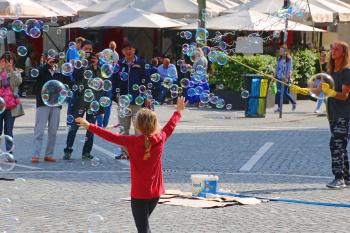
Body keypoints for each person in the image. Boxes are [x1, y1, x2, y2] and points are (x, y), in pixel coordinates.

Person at [76, 96, 187, 233]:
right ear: (154, 124)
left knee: (143, 229)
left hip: (140, 194)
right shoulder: (161, 138)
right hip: (156, 192)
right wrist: (178, 111)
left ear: (137, 125)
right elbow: (171, 125)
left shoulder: (132, 142)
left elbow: (110, 136)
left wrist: (89, 126)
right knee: (144, 225)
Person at [291, 41, 350, 189]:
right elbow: (317, 90)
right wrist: (302, 90)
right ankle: (348, 178)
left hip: (344, 115)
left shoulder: (347, 71)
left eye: (337, 49)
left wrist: (331, 92)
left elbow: (344, 95)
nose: (333, 51)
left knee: (336, 144)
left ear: (344, 53)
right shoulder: (329, 72)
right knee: (340, 145)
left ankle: (339, 178)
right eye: (333, 49)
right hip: (333, 115)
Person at [63, 39, 103, 161]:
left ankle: (86, 152)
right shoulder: (78, 63)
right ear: (81, 50)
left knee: (91, 128)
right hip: (80, 99)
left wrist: (96, 66)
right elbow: (75, 77)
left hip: (93, 100)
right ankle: (68, 150)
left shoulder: (97, 64)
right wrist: (83, 64)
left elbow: (101, 81)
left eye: (90, 50)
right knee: (74, 126)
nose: (88, 52)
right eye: (86, 49)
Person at [112, 41, 149, 160]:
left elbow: (147, 81)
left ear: (134, 50)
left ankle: (139, 152)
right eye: (125, 49)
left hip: (137, 102)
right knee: (124, 130)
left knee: (139, 130)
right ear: (122, 52)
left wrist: (147, 97)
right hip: (123, 102)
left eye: (130, 49)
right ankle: (124, 152)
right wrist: (116, 96)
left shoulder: (141, 63)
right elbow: (114, 82)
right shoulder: (119, 65)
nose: (128, 51)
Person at [31, 55, 71, 163]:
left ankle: (49, 154)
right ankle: (35, 154)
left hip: (56, 105)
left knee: (53, 131)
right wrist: (46, 65)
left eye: (55, 60)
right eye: (51, 60)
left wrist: (66, 68)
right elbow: (35, 76)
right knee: (39, 130)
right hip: (43, 104)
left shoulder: (59, 74)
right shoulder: (42, 70)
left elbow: (69, 84)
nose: (53, 62)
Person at [0, 52, 25, 160]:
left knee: (8, 130)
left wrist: (10, 70)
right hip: (0, 105)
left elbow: (17, 82)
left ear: (12, 61)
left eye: (9, 60)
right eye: (4, 60)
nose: (6, 63)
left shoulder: (16, 72)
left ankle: (9, 154)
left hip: (11, 106)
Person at [274, 45, 296, 112]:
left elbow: (289, 69)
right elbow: (277, 68)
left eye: (281, 50)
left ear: (285, 51)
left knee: (285, 92)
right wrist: (275, 76)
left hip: (285, 78)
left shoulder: (289, 59)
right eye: (279, 50)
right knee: (278, 92)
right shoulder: (280, 58)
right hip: (279, 77)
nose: (280, 52)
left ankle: (293, 102)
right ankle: (279, 107)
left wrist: (287, 78)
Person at [314, 49, 328, 113]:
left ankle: (317, 108)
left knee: (321, 94)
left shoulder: (327, 63)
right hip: (318, 80)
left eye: (324, 55)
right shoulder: (317, 62)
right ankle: (328, 108)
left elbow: (328, 72)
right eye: (322, 55)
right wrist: (314, 81)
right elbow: (315, 72)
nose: (323, 56)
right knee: (323, 96)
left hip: (324, 81)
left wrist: (324, 72)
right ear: (320, 55)